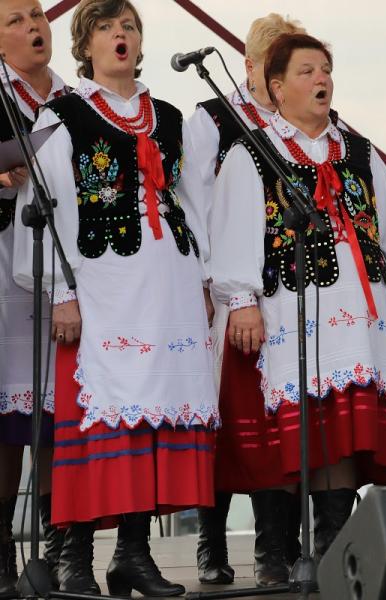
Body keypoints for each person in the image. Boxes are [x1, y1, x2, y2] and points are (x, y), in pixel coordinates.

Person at [12, 0, 217, 594]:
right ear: (86, 45)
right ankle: (73, 559)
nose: (119, 35)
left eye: (128, 26)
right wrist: (60, 291)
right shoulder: (64, 115)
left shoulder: (170, 117)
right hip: (103, 284)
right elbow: (48, 203)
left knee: (156, 415)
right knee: (97, 414)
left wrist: (203, 278)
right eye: (105, 28)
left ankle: (133, 552)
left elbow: (193, 201)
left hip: (169, 282)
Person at [208, 32, 386, 564]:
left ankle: (332, 547)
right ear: (277, 88)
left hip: (357, 313)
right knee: (288, 428)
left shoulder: (359, 152)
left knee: (341, 426)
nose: (321, 79)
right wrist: (243, 301)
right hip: (287, 308)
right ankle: (273, 552)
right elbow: (234, 229)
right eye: (306, 71)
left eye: (325, 69)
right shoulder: (253, 152)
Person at [181, 12, 306, 587]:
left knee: (276, 418)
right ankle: (210, 542)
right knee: (227, 416)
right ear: (251, 66)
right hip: (228, 289)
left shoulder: (298, 126)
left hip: (286, 292)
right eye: (273, 64)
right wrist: (210, 283)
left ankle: (277, 545)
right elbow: (195, 202)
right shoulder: (212, 119)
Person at [0, 0, 66, 591]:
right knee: (7, 415)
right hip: (2, 266)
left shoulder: (74, 100)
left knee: (54, 411)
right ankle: (1, 552)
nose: (33, 27)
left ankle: (56, 549)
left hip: (62, 269)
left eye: (37, 15)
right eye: (15, 21)